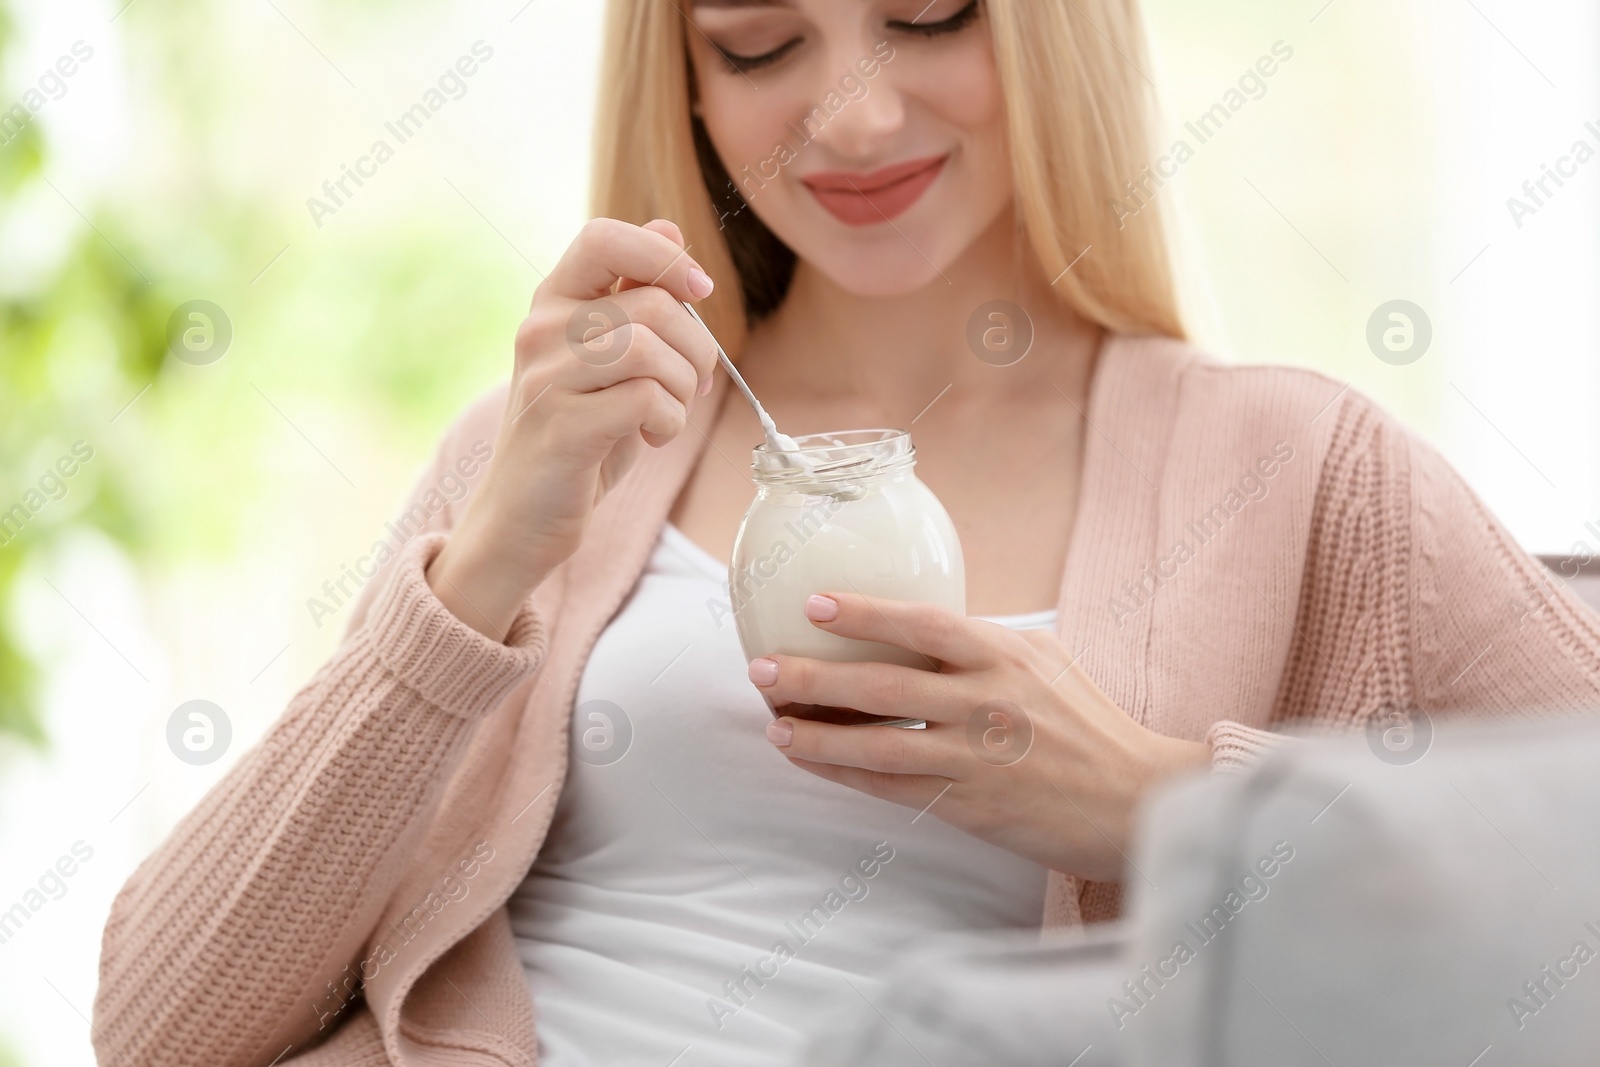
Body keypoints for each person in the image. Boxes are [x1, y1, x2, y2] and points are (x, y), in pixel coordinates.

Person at [92, 1, 1600, 1064]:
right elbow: (155, 1032)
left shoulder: (1295, 466)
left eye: (933, 15)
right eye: (758, 42)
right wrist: (482, 568)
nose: (855, 116)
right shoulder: (549, 464)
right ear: (683, 73)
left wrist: (1160, 809)